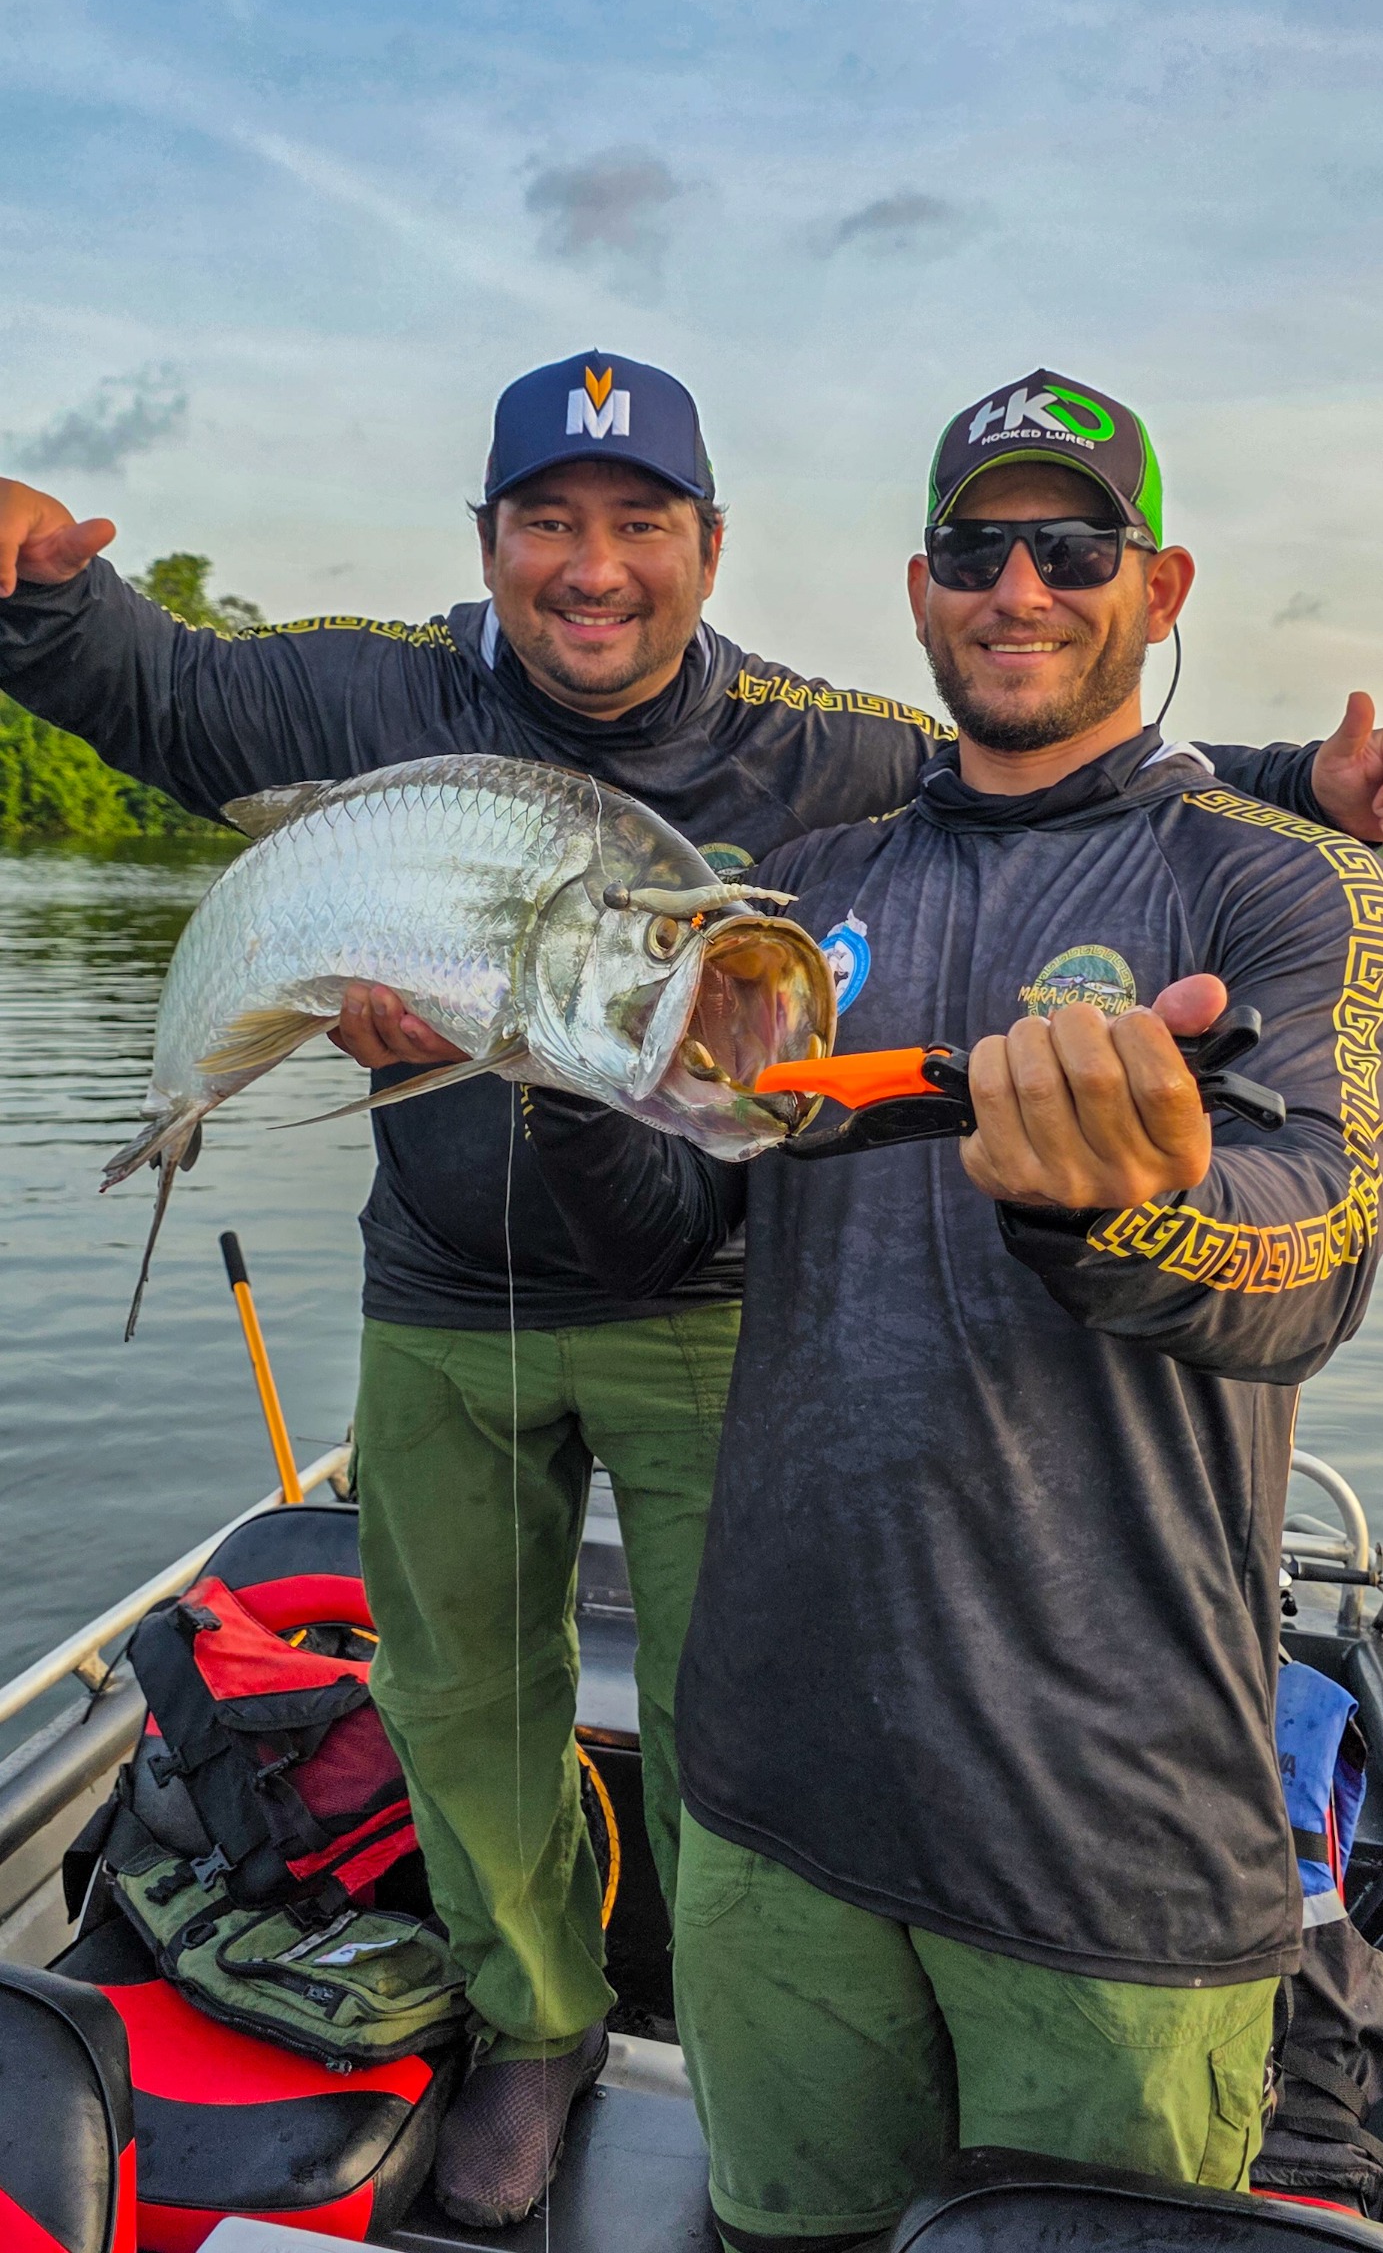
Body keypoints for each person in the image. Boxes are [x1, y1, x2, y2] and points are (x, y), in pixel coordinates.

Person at [0, 357, 1378, 2228]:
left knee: (728, 1677)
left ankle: (715, 1955)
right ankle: (541, 2018)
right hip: (455, 1291)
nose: (592, 565)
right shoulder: (427, 714)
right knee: (464, 1686)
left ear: (708, 547)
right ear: (485, 543)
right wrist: (39, 595)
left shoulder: (855, 776)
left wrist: (1300, 822)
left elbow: (1086, 800)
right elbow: (150, 686)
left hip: (764, 1362)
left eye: (638, 522)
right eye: (546, 523)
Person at [524, 369, 1383, 2246]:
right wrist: (552, 1077)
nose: (1020, 588)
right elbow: (662, 1222)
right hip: (769, 1797)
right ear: (918, 593)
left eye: (1071, 548)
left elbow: (1314, 1251)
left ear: (1158, 590)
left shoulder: (1285, 889)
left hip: (1110, 1837)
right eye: (974, 550)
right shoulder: (800, 894)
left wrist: (1131, 1210)